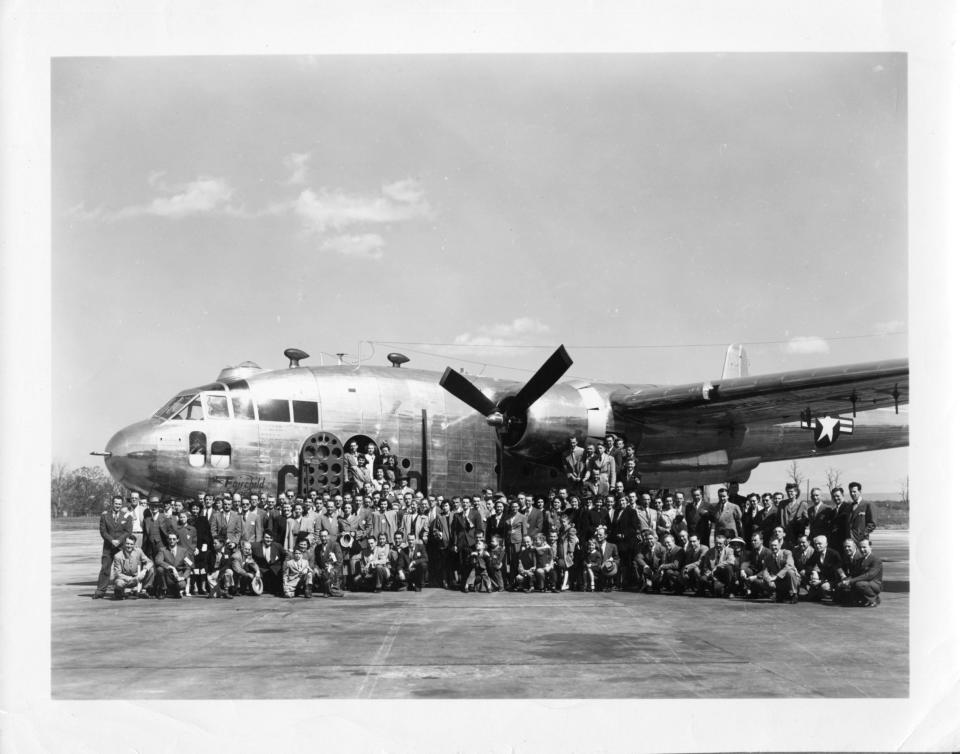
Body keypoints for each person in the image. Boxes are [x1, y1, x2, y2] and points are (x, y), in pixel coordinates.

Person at [94, 495, 134, 599]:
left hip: (121, 547)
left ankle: (119, 591)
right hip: (108, 546)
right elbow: (103, 531)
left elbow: (128, 531)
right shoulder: (105, 515)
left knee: (121, 570)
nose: (118, 506)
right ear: (112, 504)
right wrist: (112, 540)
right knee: (105, 568)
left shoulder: (127, 516)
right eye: (116, 503)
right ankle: (100, 591)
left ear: (122, 505)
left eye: (120, 504)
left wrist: (119, 540)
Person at [837, 537, 883, 607]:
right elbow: (855, 573)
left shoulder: (876, 560)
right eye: (860, 547)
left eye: (864, 547)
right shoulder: (861, 559)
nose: (862, 550)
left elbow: (869, 575)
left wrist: (851, 581)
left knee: (859, 584)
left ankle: (874, 598)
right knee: (844, 585)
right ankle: (863, 599)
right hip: (865, 582)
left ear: (870, 547)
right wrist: (845, 580)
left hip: (874, 584)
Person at [110, 534, 154, 599]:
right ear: (124, 544)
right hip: (125, 580)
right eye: (127, 544)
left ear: (134, 544)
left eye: (131, 544)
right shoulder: (118, 556)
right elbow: (117, 573)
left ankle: (143, 591)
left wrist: (144, 570)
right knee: (119, 583)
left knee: (151, 570)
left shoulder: (138, 551)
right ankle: (120, 592)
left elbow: (150, 562)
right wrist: (130, 579)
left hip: (138, 578)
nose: (129, 546)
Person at [155, 531, 194, 599]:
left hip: (178, 575)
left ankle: (175, 591)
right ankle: (163, 589)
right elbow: (158, 560)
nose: (171, 541)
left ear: (177, 540)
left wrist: (183, 577)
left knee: (181, 585)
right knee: (159, 569)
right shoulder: (163, 550)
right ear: (167, 540)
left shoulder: (183, 551)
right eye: (170, 539)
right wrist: (170, 567)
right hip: (167, 575)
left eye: (174, 539)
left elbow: (189, 566)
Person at [698, 529, 737, 597]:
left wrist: (717, 566)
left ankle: (729, 590)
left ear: (725, 543)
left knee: (729, 567)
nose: (718, 545)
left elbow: (731, 561)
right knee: (703, 579)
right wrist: (710, 574)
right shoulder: (710, 552)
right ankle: (713, 590)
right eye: (716, 543)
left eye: (720, 543)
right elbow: (705, 566)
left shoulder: (729, 550)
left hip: (723, 576)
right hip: (712, 575)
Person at [806, 535, 844, 602]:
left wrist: (821, 581)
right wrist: (813, 571)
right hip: (823, 578)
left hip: (835, 580)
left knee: (824, 587)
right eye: (815, 544)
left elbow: (837, 573)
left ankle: (832, 593)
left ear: (826, 544)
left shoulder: (834, 554)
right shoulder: (816, 553)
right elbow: (808, 565)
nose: (817, 546)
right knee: (811, 597)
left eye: (820, 544)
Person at [740, 532, 776, 599]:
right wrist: (742, 570)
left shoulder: (768, 552)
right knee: (745, 570)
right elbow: (746, 562)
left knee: (757, 580)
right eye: (752, 541)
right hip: (757, 574)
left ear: (761, 541)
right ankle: (753, 591)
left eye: (755, 540)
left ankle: (770, 592)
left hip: (767, 576)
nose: (753, 542)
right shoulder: (753, 552)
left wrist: (755, 576)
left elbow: (767, 569)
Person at [251, 531, 286, 596]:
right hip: (261, 570)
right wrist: (256, 569)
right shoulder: (255, 546)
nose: (269, 539)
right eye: (267, 537)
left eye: (270, 538)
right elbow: (248, 555)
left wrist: (283, 565)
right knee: (256, 591)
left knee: (277, 590)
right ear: (263, 538)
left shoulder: (278, 546)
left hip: (275, 570)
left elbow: (285, 555)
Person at [313, 529, 345, 597]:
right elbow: (315, 561)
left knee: (330, 576)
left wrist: (333, 570)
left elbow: (339, 561)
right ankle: (327, 589)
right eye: (321, 536)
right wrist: (316, 568)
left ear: (329, 536)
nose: (323, 538)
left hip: (333, 572)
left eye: (325, 536)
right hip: (322, 571)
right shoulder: (317, 548)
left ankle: (329, 590)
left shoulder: (335, 545)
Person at [594, 526, 620, 592]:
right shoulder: (593, 546)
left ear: (605, 536)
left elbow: (617, 559)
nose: (598, 536)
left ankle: (610, 584)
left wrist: (612, 561)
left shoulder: (613, 546)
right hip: (597, 571)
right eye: (597, 535)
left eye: (600, 535)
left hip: (608, 570)